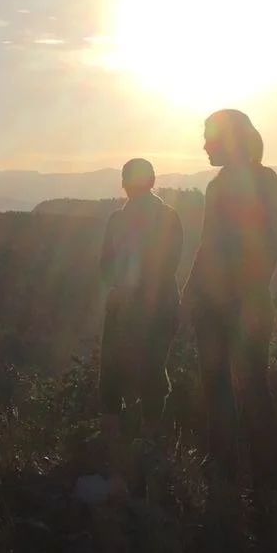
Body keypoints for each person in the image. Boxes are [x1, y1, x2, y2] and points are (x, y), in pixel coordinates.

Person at [181, 109, 277, 495]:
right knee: (228, 387)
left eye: (209, 137)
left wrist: (239, 299)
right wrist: (191, 295)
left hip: (238, 305)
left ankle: (252, 484)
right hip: (224, 304)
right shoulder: (224, 183)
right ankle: (240, 482)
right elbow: (208, 246)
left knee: (244, 388)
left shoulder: (260, 181)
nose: (204, 145)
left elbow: (264, 247)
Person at [97, 158, 183, 498]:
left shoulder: (126, 220)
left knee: (126, 369)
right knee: (146, 369)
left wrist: (127, 285)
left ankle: (119, 442)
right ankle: (139, 441)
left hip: (142, 306)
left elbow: (108, 269)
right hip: (150, 305)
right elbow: (166, 265)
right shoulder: (161, 218)